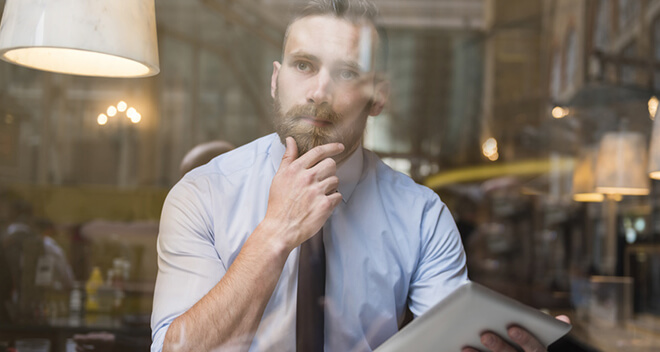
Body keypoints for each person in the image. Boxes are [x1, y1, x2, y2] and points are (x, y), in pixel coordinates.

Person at [151, 1, 567, 351]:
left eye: (346, 72)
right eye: (303, 65)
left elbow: (452, 341)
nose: (319, 91)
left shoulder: (421, 216)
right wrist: (276, 232)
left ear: (378, 95)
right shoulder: (203, 193)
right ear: (276, 80)